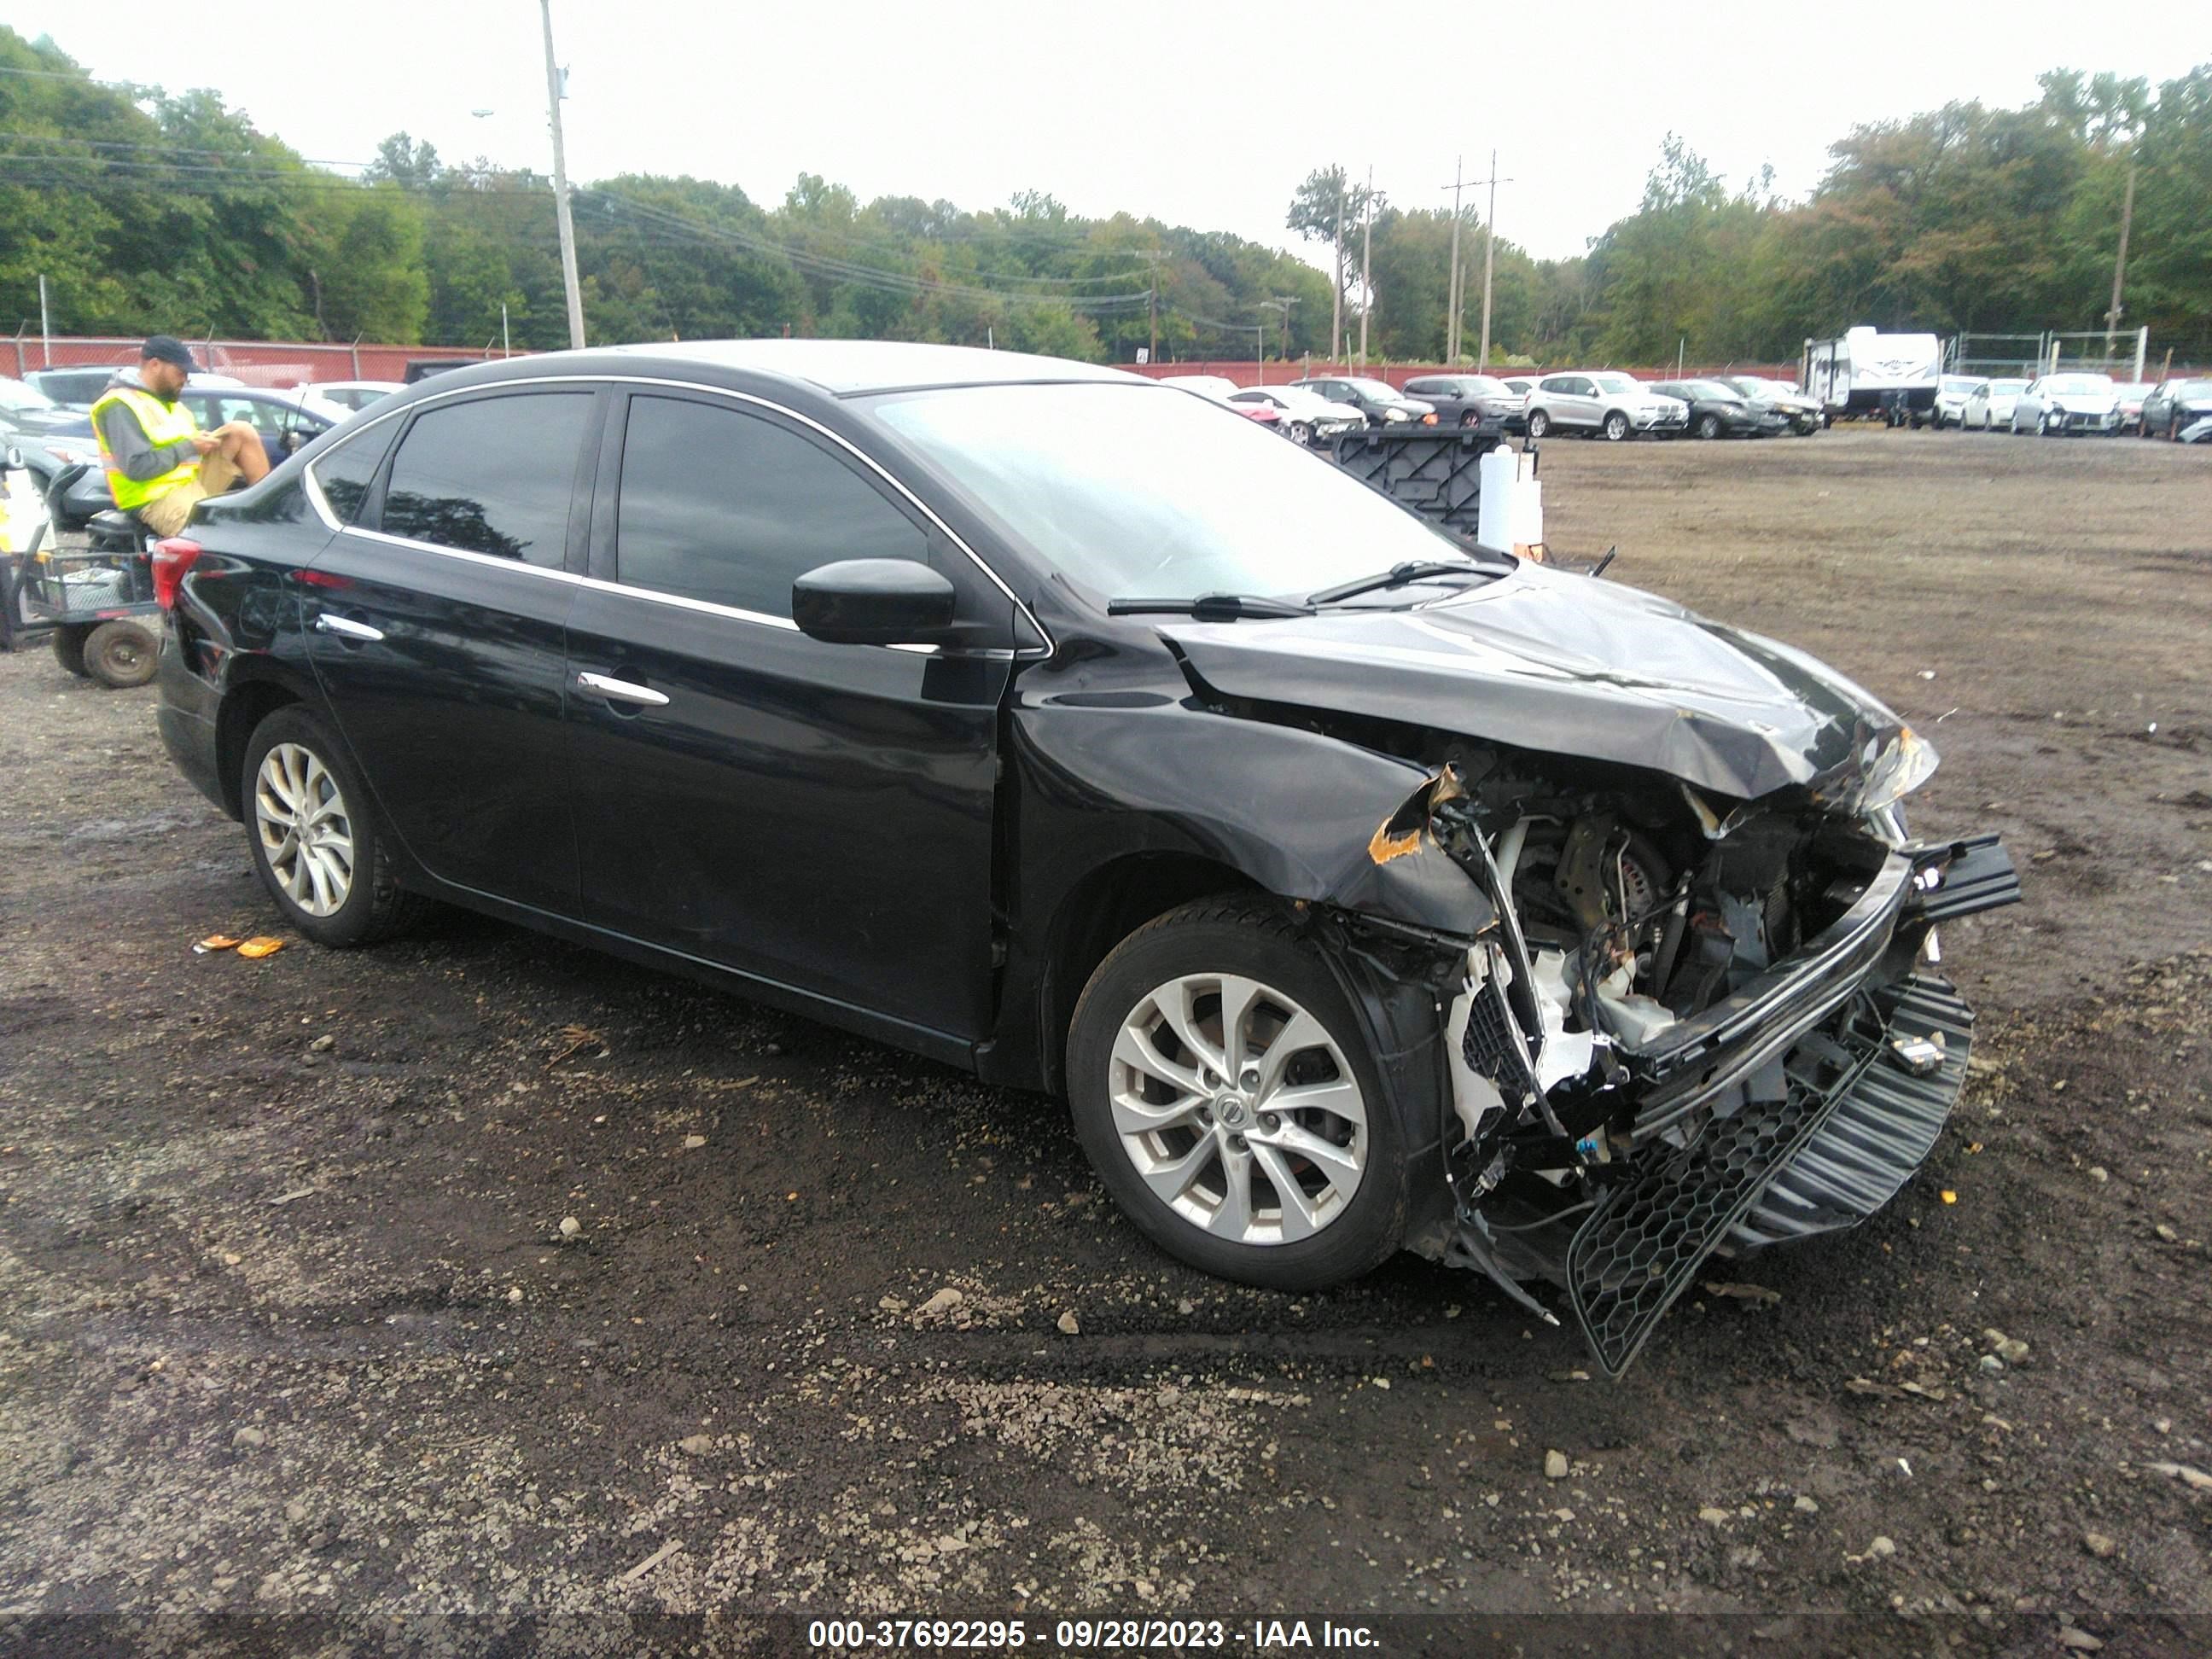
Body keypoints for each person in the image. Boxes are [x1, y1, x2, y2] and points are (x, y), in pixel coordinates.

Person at [90, 336, 269, 538]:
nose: (184, 379)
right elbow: (136, 467)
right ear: (155, 365)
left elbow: (183, 446)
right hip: (154, 497)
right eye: (179, 372)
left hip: (189, 482)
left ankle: (270, 511)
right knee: (214, 540)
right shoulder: (119, 405)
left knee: (240, 431)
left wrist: (202, 442)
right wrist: (190, 446)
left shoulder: (171, 404)